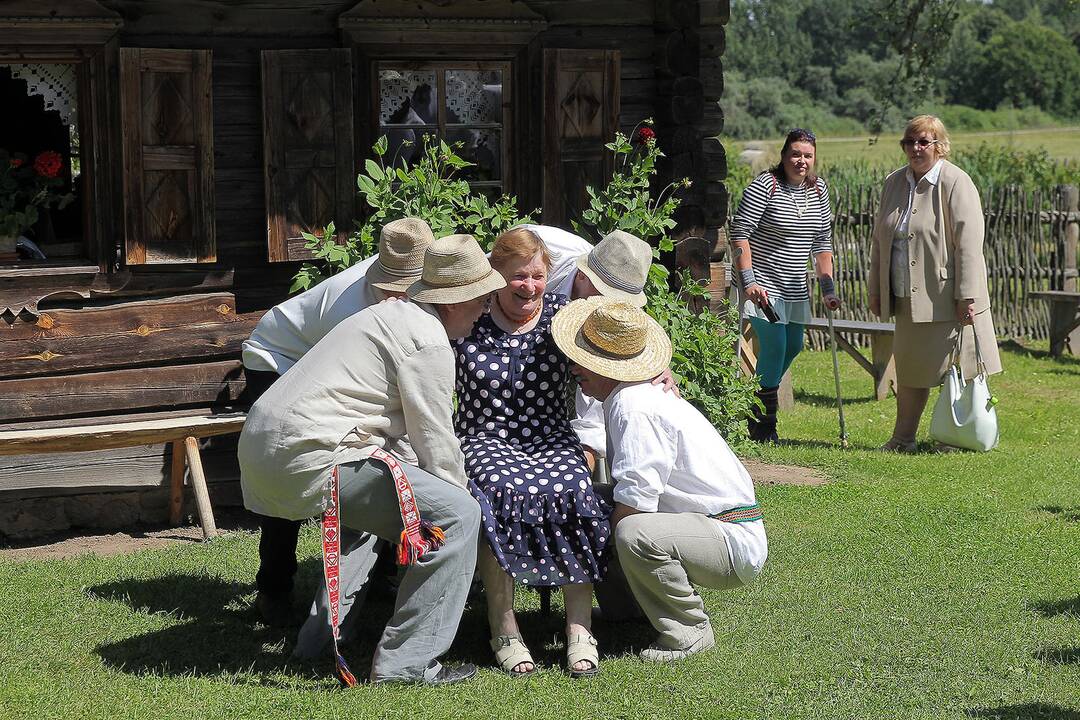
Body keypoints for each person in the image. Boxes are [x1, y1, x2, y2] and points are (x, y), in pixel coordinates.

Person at [238, 233, 504, 686]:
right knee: (459, 514)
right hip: (309, 456)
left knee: (375, 509)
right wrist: (465, 518)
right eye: (482, 299)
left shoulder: (387, 316)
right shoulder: (428, 341)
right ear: (457, 300)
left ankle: (314, 640)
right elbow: (436, 445)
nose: (485, 310)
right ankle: (408, 664)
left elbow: (396, 440)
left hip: (268, 452)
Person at [240, 218, 434, 625]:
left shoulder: (411, 296)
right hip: (279, 359)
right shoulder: (350, 311)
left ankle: (375, 575)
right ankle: (273, 588)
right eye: (393, 289)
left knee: (377, 458)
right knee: (290, 464)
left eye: (409, 289)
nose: (400, 297)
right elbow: (337, 381)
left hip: (317, 361)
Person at [552, 298, 768, 662]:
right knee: (597, 505)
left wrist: (591, 543)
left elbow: (637, 502)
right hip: (707, 526)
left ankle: (689, 631)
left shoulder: (634, 406)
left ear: (610, 367)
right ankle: (628, 612)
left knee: (630, 531)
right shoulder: (626, 397)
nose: (574, 368)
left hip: (730, 538)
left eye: (583, 360)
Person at [454, 227, 624, 678]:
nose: (528, 286)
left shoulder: (564, 317)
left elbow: (623, 341)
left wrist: (662, 368)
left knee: (574, 485)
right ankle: (504, 626)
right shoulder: (470, 317)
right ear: (495, 275)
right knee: (496, 488)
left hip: (551, 435)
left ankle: (579, 629)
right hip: (484, 438)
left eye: (537, 276)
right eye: (517, 277)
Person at [869, 115, 1002, 452]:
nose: (915, 148)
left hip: (949, 295)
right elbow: (879, 241)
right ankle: (903, 439)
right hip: (907, 294)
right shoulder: (894, 183)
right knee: (912, 370)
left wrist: (968, 295)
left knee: (959, 370)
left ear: (939, 146)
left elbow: (969, 244)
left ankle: (959, 437)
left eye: (923, 141)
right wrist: (876, 289)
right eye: (909, 142)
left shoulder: (957, 182)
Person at [730, 128, 840, 442]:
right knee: (775, 347)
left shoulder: (819, 189)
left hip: (794, 287)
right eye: (795, 154)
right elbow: (740, 234)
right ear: (783, 155)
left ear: (814, 158)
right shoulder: (767, 185)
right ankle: (763, 427)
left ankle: (754, 400)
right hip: (763, 285)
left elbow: (822, 242)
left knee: (794, 346)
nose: (801, 161)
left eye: (807, 155)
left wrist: (828, 288)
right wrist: (748, 281)